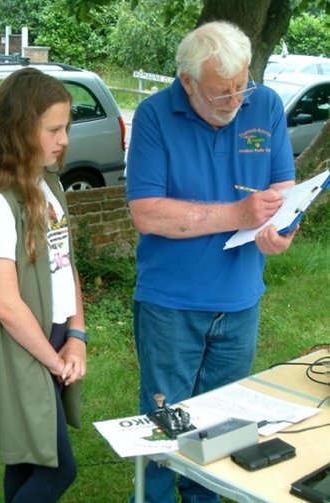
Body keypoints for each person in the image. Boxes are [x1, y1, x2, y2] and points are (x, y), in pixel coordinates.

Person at [126, 21, 297, 503]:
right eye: (221, 94)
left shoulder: (264, 105)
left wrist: (282, 230)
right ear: (188, 82)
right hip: (171, 302)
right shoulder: (155, 116)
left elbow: (284, 191)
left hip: (241, 298)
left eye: (241, 87)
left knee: (223, 421)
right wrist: (238, 214)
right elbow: (147, 213)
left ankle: (204, 497)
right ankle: (154, 498)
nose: (234, 102)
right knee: (164, 420)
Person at [0, 67, 87, 503]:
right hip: (24, 345)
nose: (63, 139)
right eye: (53, 129)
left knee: (27, 461)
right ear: (20, 128)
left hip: (57, 336)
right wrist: (53, 360)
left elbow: (67, 264)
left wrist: (77, 337)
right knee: (58, 469)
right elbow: (6, 304)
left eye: (66, 127)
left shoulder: (47, 184)